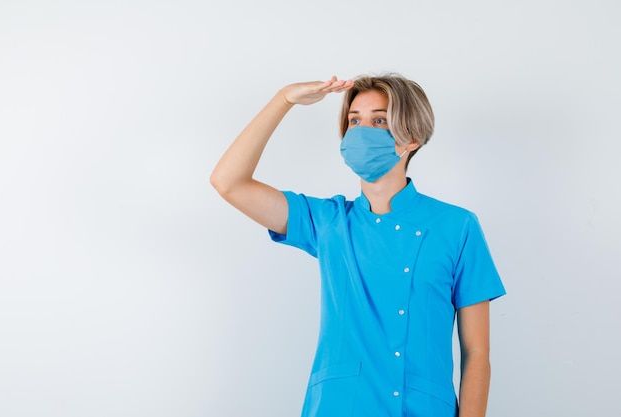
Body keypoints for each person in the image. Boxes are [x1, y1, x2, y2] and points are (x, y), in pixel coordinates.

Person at [210, 73, 506, 417]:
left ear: (411, 136)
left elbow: (477, 354)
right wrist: (283, 100)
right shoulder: (328, 222)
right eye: (354, 120)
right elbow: (228, 181)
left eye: (379, 120)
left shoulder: (457, 226)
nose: (363, 131)